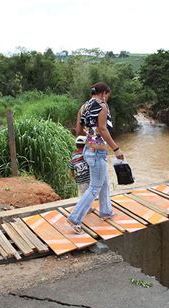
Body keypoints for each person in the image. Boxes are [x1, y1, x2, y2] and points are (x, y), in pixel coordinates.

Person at [67, 82, 125, 234]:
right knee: (94, 188)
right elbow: (103, 129)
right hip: (98, 152)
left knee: (104, 183)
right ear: (104, 93)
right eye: (108, 95)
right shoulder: (102, 106)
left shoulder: (84, 106)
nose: (107, 98)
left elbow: (78, 131)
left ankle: (106, 212)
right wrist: (116, 149)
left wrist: (90, 136)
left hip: (88, 149)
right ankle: (74, 218)